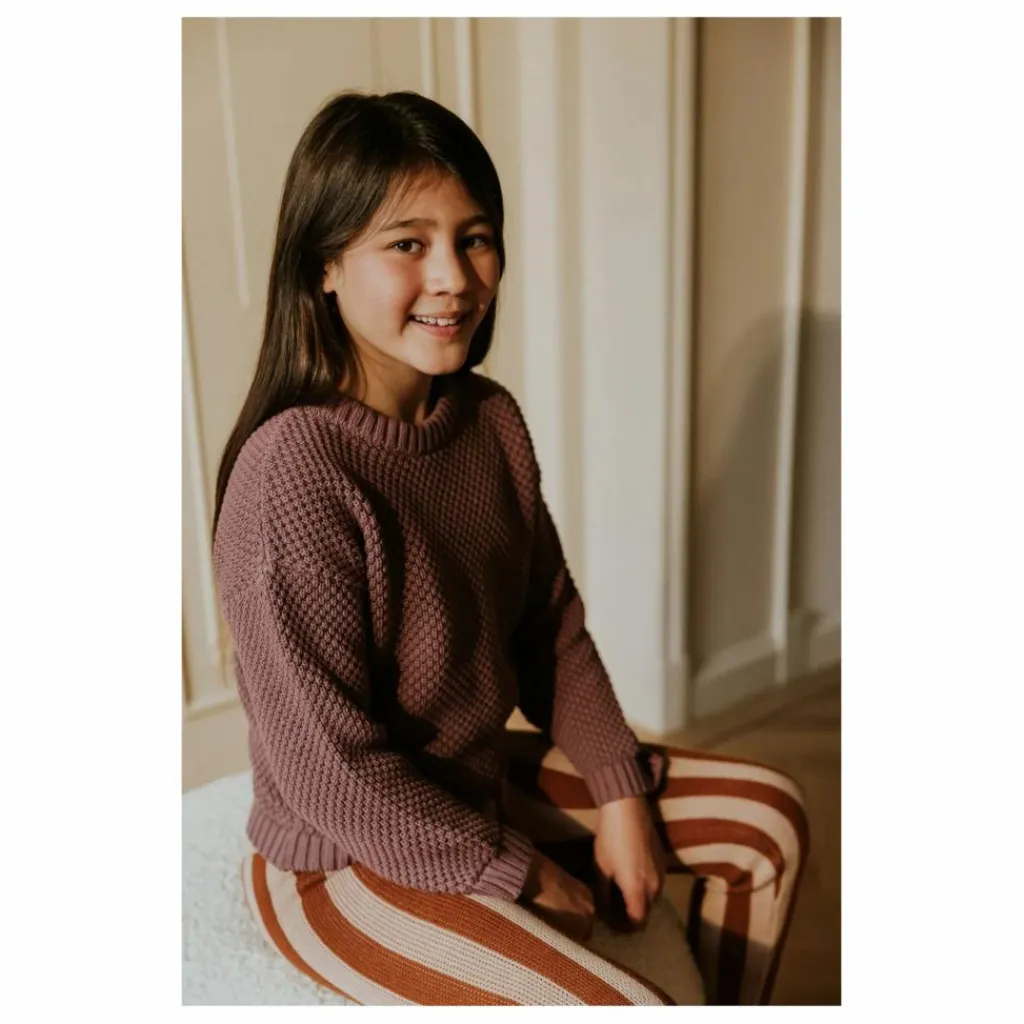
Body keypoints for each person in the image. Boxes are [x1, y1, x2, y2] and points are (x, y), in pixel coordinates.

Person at [210, 90, 808, 1006]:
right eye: (407, 243)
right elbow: (332, 774)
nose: (453, 276)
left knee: (770, 824)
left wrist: (619, 792)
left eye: (476, 238)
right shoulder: (292, 472)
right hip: (345, 858)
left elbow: (549, 629)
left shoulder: (489, 422)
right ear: (325, 265)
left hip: (472, 784)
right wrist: (521, 872)